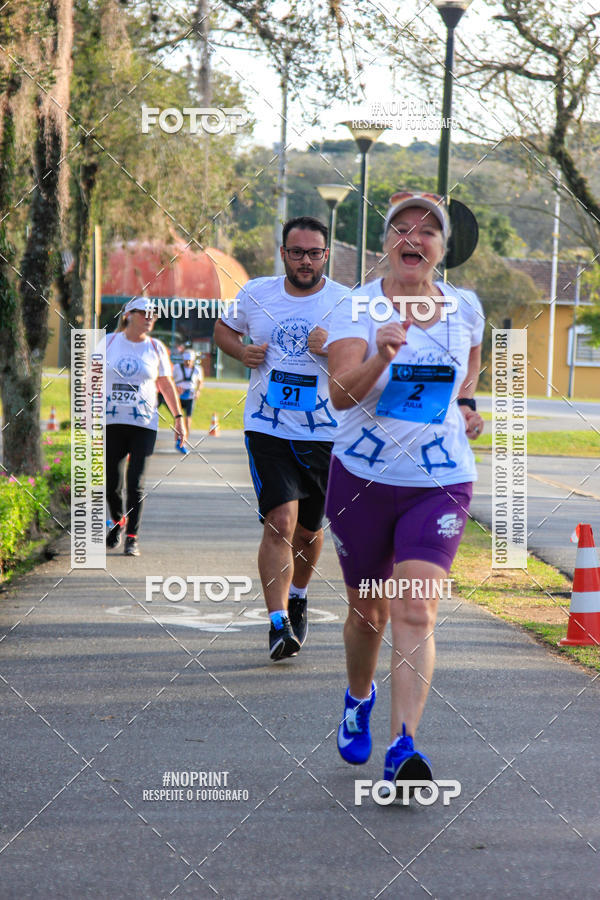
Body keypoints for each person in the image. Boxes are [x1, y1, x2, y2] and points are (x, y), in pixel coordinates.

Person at [325, 191, 485, 792]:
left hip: (439, 481)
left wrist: (467, 407)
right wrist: (382, 356)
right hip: (362, 481)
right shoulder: (356, 307)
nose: (414, 239)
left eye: (428, 232)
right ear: (387, 244)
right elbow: (341, 394)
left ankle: (403, 745)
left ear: (442, 249)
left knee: (416, 608)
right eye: (401, 229)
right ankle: (358, 698)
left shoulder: (466, 307)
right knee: (368, 611)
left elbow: (465, 375)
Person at [214, 216, 348, 661]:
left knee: (310, 533)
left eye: (314, 253)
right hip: (266, 427)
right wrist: (240, 351)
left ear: (326, 255)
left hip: (324, 432)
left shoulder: (345, 302)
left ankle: (299, 595)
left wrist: (333, 346)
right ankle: (277, 624)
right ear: (283, 253)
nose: (305, 260)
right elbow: (224, 329)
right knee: (281, 524)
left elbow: (367, 357)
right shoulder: (256, 293)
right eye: (297, 252)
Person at [103, 297, 187, 556]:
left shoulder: (156, 347)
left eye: (154, 313)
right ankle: (118, 520)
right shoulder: (108, 343)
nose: (150, 317)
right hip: (112, 421)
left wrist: (178, 417)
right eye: (145, 312)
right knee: (112, 481)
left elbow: (165, 384)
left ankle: (132, 537)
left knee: (136, 481)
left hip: (143, 423)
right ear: (129, 315)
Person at [173, 348, 203, 445]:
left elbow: (200, 382)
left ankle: (185, 439)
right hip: (179, 396)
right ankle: (178, 438)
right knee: (178, 417)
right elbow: (170, 380)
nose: (188, 362)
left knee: (188, 419)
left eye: (190, 360)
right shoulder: (177, 367)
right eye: (186, 360)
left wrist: (198, 391)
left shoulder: (197, 369)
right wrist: (176, 388)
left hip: (190, 396)